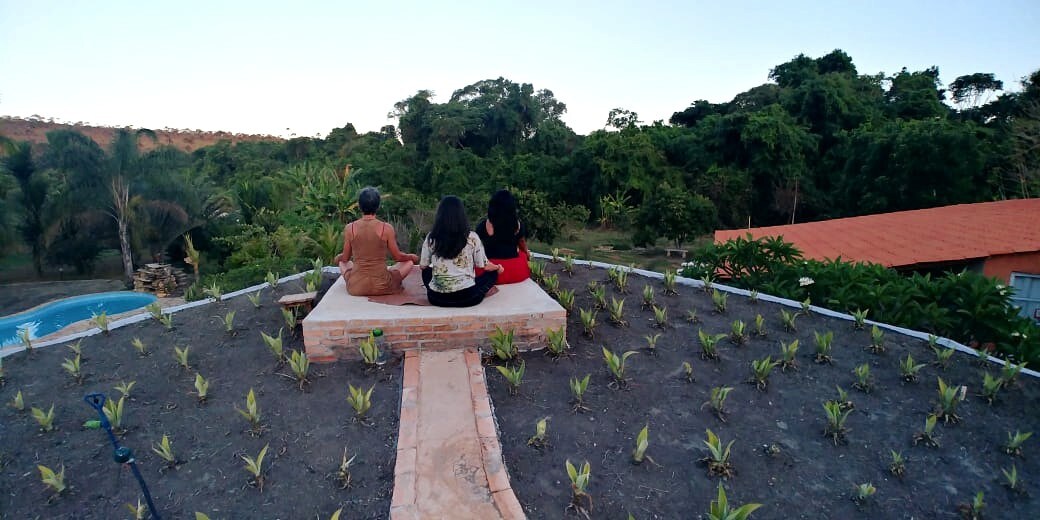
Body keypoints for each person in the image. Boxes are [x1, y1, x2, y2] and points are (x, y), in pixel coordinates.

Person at [419, 195, 503, 307]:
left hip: (437, 298)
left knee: (426, 272)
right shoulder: (472, 237)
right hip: (468, 298)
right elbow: (484, 266)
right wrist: (497, 268)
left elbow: (423, 266)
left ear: (440, 215)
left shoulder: (432, 237)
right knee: (491, 274)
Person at [335, 187, 419, 296]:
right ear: (378, 206)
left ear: (360, 206)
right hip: (383, 285)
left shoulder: (350, 228)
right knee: (408, 263)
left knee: (344, 263)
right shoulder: (386, 228)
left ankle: (356, 280)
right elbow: (398, 257)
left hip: (356, 287)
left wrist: (338, 258)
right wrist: (411, 257)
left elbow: (345, 258)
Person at [475, 189, 531, 285]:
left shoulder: (484, 225)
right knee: (522, 254)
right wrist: (527, 253)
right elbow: (522, 242)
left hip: (492, 272)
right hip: (515, 271)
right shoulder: (518, 224)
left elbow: (475, 248)